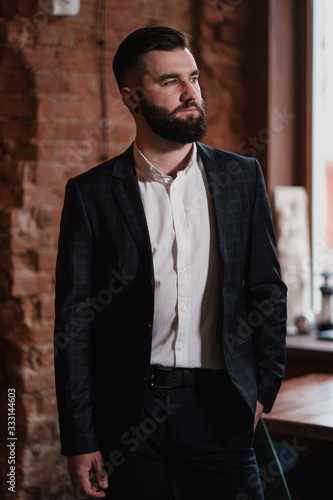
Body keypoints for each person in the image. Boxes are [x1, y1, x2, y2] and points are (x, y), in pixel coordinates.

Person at [54, 26, 287, 500]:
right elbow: (75, 323)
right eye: (170, 82)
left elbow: (267, 287)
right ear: (132, 97)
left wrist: (264, 386)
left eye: (194, 77)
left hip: (222, 406)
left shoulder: (241, 177)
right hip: (128, 414)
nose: (190, 93)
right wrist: (79, 438)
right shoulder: (91, 193)